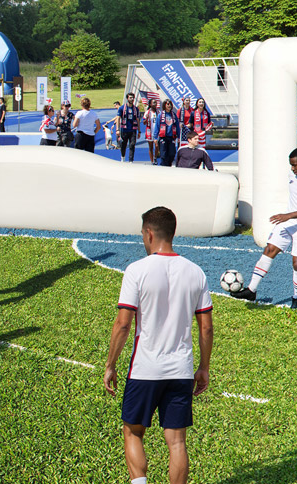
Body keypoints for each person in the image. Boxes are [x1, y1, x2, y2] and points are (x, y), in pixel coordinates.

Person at [105, 206, 212, 484]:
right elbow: (206, 326)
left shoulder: (136, 270)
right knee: (176, 442)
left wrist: (110, 364)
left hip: (145, 369)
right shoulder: (196, 272)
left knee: (133, 432)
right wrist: (203, 367)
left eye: (143, 234)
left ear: (149, 233)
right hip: (180, 370)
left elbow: (123, 324)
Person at [230, 146, 297, 310]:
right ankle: (251, 290)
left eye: (295, 165)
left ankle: (296, 298)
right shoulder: (293, 174)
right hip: (288, 221)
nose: (292, 168)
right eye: (291, 165)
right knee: (269, 250)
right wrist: (287, 217)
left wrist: (287, 216)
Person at [118, 93, 142, 162]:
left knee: (132, 145)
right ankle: (123, 157)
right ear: (127, 98)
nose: (132, 99)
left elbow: (138, 120)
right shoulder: (122, 108)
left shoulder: (136, 109)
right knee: (123, 145)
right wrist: (117, 129)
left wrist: (139, 131)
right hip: (124, 130)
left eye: (133, 98)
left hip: (133, 130)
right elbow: (118, 118)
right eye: (130, 98)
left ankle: (131, 160)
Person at [156, 99, 180, 167]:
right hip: (163, 137)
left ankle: (168, 165)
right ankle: (163, 166)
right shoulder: (160, 115)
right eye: (167, 104)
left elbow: (177, 126)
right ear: (164, 105)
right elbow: (157, 126)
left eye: (170, 104)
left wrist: (178, 136)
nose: (169, 105)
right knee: (163, 154)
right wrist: (155, 137)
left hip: (171, 137)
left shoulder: (174, 115)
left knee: (172, 153)